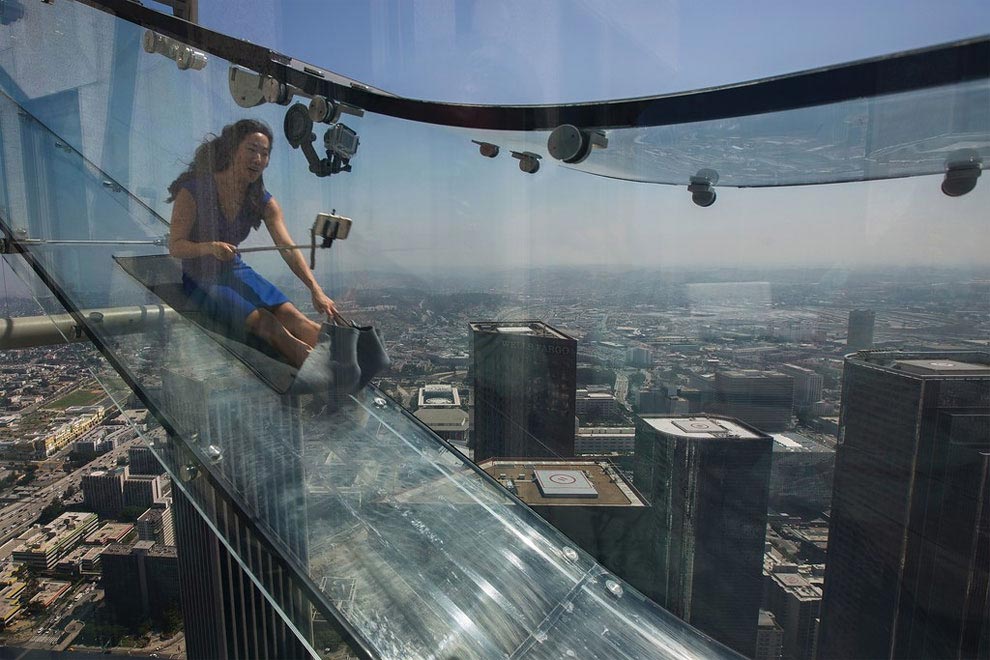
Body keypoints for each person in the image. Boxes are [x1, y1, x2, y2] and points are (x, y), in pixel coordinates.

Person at [167, 119, 336, 368]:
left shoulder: (262, 201)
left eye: (264, 153)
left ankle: (344, 361)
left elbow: (287, 248)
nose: (258, 159)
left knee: (296, 318)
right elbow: (176, 245)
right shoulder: (194, 191)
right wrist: (210, 247)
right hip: (200, 278)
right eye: (251, 149)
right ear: (232, 150)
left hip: (235, 269)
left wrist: (315, 290)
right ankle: (325, 374)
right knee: (268, 325)